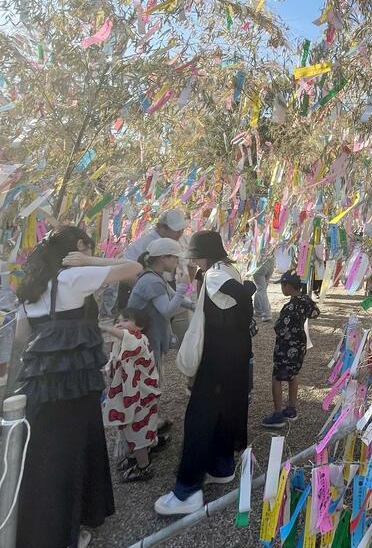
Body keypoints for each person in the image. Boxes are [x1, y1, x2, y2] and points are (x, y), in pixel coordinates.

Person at [13, 225, 142, 548]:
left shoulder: (31, 288)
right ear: (76, 249)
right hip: (76, 381)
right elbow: (134, 268)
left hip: (41, 383)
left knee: (44, 451)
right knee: (73, 449)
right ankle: (63, 530)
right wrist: (90, 261)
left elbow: (20, 339)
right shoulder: (70, 279)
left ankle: (47, 521)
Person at [154, 230, 255, 516]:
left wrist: (245, 292)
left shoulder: (213, 275)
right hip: (234, 356)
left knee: (199, 418)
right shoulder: (228, 269)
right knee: (226, 411)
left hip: (218, 358)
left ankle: (187, 490)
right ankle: (220, 467)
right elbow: (242, 295)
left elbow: (241, 295)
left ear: (202, 254)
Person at [101, 307, 165, 483]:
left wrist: (106, 328)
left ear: (140, 326)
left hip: (141, 397)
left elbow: (128, 340)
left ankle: (144, 467)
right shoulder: (122, 342)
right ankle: (135, 457)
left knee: (138, 431)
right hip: (131, 396)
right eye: (118, 321)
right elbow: (114, 361)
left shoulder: (139, 340)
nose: (120, 324)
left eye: (126, 320)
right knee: (129, 427)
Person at [127, 238, 194, 379]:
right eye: (175, 257)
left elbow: (173, 295)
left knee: (152, 374)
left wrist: (195, 306)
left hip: (149, 335)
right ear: (163, 257)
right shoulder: (151, 281)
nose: (177, 262)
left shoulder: (155, 276)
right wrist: (182, 287)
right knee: (149, 378)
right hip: (145, 338)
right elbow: (167, 310)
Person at [261, 270, 320, 429]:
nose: (282, 288)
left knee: (277, 377)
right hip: (300, 343)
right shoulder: (306, 300)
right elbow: (315, 313)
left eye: (282, 285)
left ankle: (278, 414)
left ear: (287, 286)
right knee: (293, 374)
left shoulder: (289, 307)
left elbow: (280, 328)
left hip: (287, 346)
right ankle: (291, 409)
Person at [114, 208, 187, 311]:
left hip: (163, 288)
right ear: (162, 227)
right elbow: (122, 272)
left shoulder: (175, 240)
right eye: (176, 230)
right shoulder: (145, 243)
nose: (180, 233)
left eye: (182, 230)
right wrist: (146, 287)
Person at [251, 255, 275, 322]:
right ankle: (258, 311)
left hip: (259, 262)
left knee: (261, 289)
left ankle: (266, 314)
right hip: (271, 261)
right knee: (261, 289)